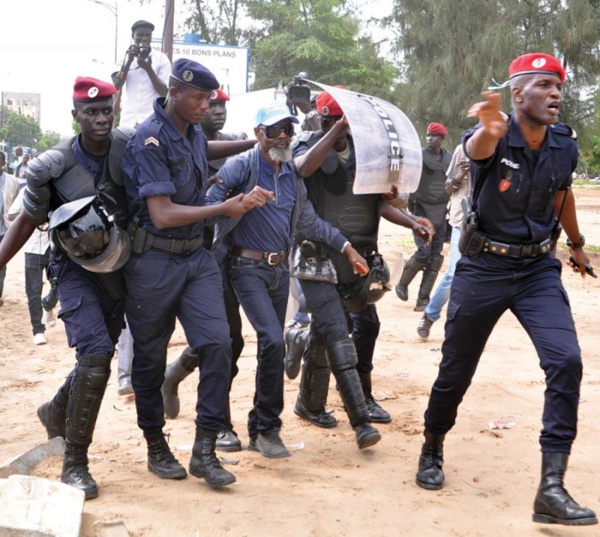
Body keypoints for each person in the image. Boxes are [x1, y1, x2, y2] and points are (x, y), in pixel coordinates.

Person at [415, 52, 597, 527]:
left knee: (566, 361)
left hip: (538, 268)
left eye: (558, 86)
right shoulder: (493, 134)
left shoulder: (564, 143)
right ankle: (433, 443)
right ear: (518, 95)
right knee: (456, 370)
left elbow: (562, 194)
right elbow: (478, 149)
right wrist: (490, 131)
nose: (555, 94)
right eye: (543, 85)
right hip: (484, 267)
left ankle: (551, 488)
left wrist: (576, 245)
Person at [206, 100, 378, 457]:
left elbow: (309, 223)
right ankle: (249, 427)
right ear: (259, 134)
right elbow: (209, 203)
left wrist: (347, 248)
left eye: (288, 129)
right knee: (262, 341)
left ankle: (263, 428)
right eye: (275, 130)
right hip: (242, 268)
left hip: (279, 270)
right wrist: (238, 202)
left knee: (267, 343)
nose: (283, 136)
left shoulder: (291, 176)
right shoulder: (242, 166)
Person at [122, 58, 259, 488]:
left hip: (196, 259)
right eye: (198, 98)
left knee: (219, 343)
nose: (205, 106)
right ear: (175, 93)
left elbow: (204, 150)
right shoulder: (149, 139)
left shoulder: (192, 129)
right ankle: (155, 444)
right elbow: (161, 215)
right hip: (154, 262)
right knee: (149, 358)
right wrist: (223, 207)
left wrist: (248, 146)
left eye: (209, 99)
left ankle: (204, 450)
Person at [0, 77, 130, 500]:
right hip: (73, 270)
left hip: (121, 270)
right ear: (75, 116)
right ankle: (75, 462)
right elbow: (25, 219)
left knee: (100, 357)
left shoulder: (130, 150)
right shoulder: (53, 165)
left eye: (105, 110)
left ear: (116, 110)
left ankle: (55, 410)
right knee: (95, 354)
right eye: (90, 112)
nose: (99, 118)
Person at [289, 90, 434, 433]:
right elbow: (303, 169)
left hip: (360, 255)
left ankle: (353, 397)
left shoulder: (365, 154)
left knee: (365, 324)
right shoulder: (307, 145)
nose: (340, 128)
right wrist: (334, 132)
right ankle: (320, 404)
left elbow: (377, 205)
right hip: (321, 254)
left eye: (345, 123)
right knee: (333, 328)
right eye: (330, 121)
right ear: (320, 119)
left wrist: (412, 221)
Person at [159, 87, 251, 453]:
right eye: (211, 104)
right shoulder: (182, 143)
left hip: (229, 255)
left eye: (223, 106)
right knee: (224, 341)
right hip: (193, 257)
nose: (217, 111)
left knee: (229, 341)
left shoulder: (235, 147)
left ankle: (175, 374)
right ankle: (221, 424)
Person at [396, 122, 452, 311]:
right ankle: (402, 284)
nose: (429, 139)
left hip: (442, 213)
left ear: (442, 139)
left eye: (434, 136)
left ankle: (423, 299)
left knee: (435, 258)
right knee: (423, 253)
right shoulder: (418, 156)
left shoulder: (450, 159)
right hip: (422, 212)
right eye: (428, 135)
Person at [416, 143, 470, 340]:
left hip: (490, 224)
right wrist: (461, 175)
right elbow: (448, 187)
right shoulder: (463, 149)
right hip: (461, 221)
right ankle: (430, 315)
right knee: (456, 272)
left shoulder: (504, 151)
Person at [8, 187, 56, 345]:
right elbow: (11, 214)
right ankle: (38, 330)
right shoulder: (26, 192)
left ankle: (48, 305)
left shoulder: (57, 189)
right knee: (33, 291)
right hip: (32, 248)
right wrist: (33, 218)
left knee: (59, 284)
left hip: (55, 247)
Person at [112, 20, 171, 129]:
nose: (144, 39)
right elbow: (117, 84)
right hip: (127, 123)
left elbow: (165, 92)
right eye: (140, 35)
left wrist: (148, 69)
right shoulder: (124, 57)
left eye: (148, 35)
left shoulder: (161, 59)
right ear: (133, 36)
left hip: (152, 123)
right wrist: (129, 61)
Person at [0, 150, 19, 307]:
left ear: (3, 163)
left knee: (1, 262)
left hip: (4, 230)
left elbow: (16, 205)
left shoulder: (13, 182)